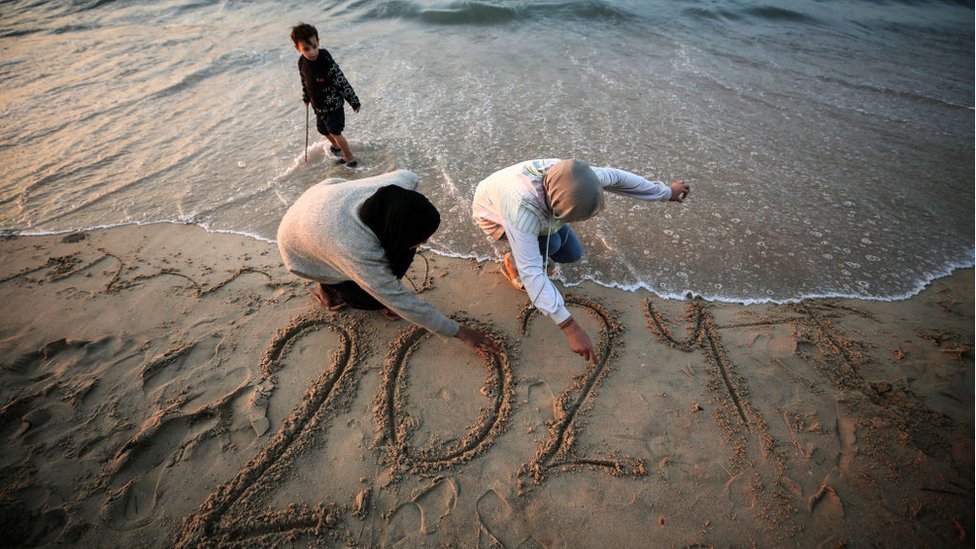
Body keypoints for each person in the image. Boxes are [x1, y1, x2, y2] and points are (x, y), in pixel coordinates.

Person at [472, 159, 690, 363]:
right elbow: (532, 274)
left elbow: (619, 179)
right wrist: (570, 327)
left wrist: (666, 192)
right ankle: (512, 262)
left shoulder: (577, 175)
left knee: (572, 254)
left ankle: (539, 240)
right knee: (551, 247)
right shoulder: (522, 212)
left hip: (541, 203)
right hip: (493, 215)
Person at [277, 170, 499, 356]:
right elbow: (396, 297)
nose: (426, 242)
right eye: (421, 239)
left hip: (324, 198)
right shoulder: (356, 249)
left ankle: (330, 263)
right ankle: (329, 287)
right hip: (298, 250)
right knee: (373, 297)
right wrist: (459, 332)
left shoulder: (399, 184)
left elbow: (409, 174)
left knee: (402, 249)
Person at [291, 22, 361, 168]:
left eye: (315, 47)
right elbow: (304, 81)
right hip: (319, 106)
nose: (312, 52)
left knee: (335, 131)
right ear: (298, 48)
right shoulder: (301, 62)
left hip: (334, 104)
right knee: (322, 130)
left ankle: (349, 157)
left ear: (318, 42)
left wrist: (353, 100)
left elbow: (340, 79)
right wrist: (306, 97)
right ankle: (336, 147)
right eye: (306, 49)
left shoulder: (325, 59)